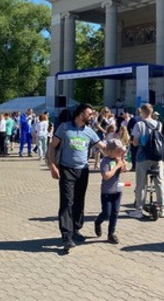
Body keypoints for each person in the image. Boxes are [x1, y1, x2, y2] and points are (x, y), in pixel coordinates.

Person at [48, 103, 105, 253]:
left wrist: (119, 155)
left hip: (83, 171)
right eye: (90, 114)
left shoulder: (89, 132)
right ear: (81, 114)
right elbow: (52, 146)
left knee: (79, 202)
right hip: (67, 169)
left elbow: (103, 147)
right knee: (67, 201)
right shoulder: (65, 128)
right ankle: (66, 235)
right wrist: (53, 166)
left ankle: (76, 230)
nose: (92, 116)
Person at [129, 103, 164, 219]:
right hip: (157, 156)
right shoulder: (159, 124)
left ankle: (139, 209)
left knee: (141, 184)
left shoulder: (139, 124)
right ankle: (162, 208)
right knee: (159, 183)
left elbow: (135, 142)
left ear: (142, 112)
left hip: (143, 157)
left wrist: (138, 141)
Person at [94, 139, 127, 244]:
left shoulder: (117, 160)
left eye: (120, 151)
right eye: (117, 151)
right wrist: (117, 166)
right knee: (106, 213)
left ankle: (111, 233)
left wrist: (123, 165)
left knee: (115, 213)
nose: (119, 154)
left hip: (117, 190)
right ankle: (98, 222)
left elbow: (123, 171)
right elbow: (106, 176)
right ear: (109, 151)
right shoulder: (105, 161)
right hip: (107, 192)